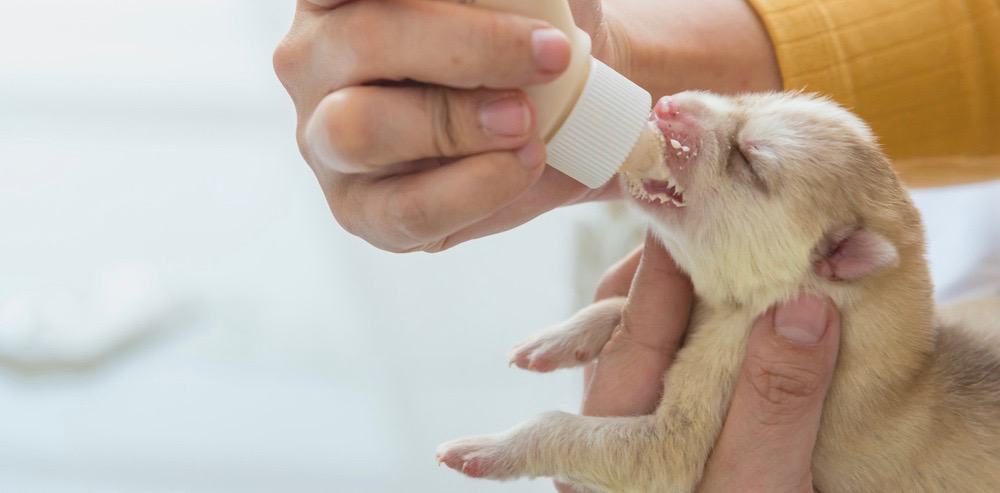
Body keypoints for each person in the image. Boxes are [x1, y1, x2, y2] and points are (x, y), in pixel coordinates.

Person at [272, 0, 999, 490]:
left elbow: (665, 452)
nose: (684, 105)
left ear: (836, 260)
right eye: (735, 109)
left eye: (746, 160)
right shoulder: (795, 290)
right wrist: (601, 66)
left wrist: (536, 442)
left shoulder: (829, 318)